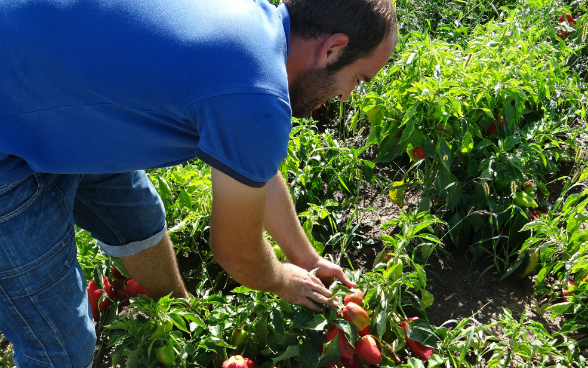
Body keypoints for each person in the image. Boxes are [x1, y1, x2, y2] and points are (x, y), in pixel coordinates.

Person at [0, 0, 398, 366]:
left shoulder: (248, 22)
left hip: (52, 90)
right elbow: (237, 253)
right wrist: (280, 279)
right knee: (59, 345)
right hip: (10, 133)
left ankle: (181, 315)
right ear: (332, 49)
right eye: (359, 78)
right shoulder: (255, 94)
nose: (348, 96)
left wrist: (306, 259)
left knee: (136, 219)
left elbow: (251, 166)